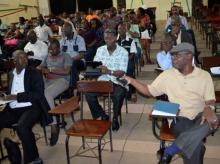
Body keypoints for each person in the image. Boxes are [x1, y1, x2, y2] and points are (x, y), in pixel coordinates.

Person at [123, 43, 219, 164]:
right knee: (197, 146)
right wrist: (131, 80)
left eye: (177, 56)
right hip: (179, 117)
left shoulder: (204, 76)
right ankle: (174, 149)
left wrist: (209, 108)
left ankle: (169, 151)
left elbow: (210, 99)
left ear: (189, 56)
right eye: (172, 55)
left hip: (200, 116)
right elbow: (149, 91)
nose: (172, 58)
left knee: (215, 119)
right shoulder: (168, 75)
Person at [0, 50, 52, 164]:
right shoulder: (10, 74)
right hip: (13, 108)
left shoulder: (34, 73)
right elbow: (10, 92)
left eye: (25, 57)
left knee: (22, 127)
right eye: (21, 58)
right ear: (14, 61)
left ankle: (33, 159)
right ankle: (13, 152)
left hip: (31, 107)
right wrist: (5, 97)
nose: (25, 60)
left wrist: (15, 97)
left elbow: (38, 94)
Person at [86, 28, 128, 131]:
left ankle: (115, 118)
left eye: (109, 38)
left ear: (115, 38)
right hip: (102, 80)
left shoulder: (123, 52)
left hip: (117, 81)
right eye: (105, 38)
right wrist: (96, 69)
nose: (107, 40)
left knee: (118, 94)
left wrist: (109, 71)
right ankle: (102, 115)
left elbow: (122, 72)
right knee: (88, 94)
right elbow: (95, 65)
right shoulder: (100, 50)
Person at [39, 38, 72, 146]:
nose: (51, 51)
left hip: (63, 81)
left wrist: (50, 70)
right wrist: (37, 69)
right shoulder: (47, 56)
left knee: (46, 94)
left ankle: (54, 125)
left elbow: (67, 71)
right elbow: (40, 66)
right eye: (50, 49)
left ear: (59, 48)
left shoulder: (65, 56)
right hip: (49, 80)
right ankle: (46, 115)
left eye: (53, 49)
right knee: (37, 92)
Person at [60, 22, 86, 87]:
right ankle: (62, 86)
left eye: (65, 29)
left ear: (71, 29)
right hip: (66, 62)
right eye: (63, 29)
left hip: (79, 61)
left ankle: (73, 86)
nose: (64, 31)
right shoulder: (62, 41)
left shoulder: (79, 39)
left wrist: (70, 60)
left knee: (73, 64)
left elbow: (82, 54)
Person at [117, 22, 137, 101]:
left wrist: (124, 60)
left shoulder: (131, 41)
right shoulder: (115, 41)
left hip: (128, 60)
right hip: (117, 61)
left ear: (126, 30)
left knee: (129, 70)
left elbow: (132, 54)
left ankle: (130, 93)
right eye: (119, 29)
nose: (121, 30)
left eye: (122, 28)